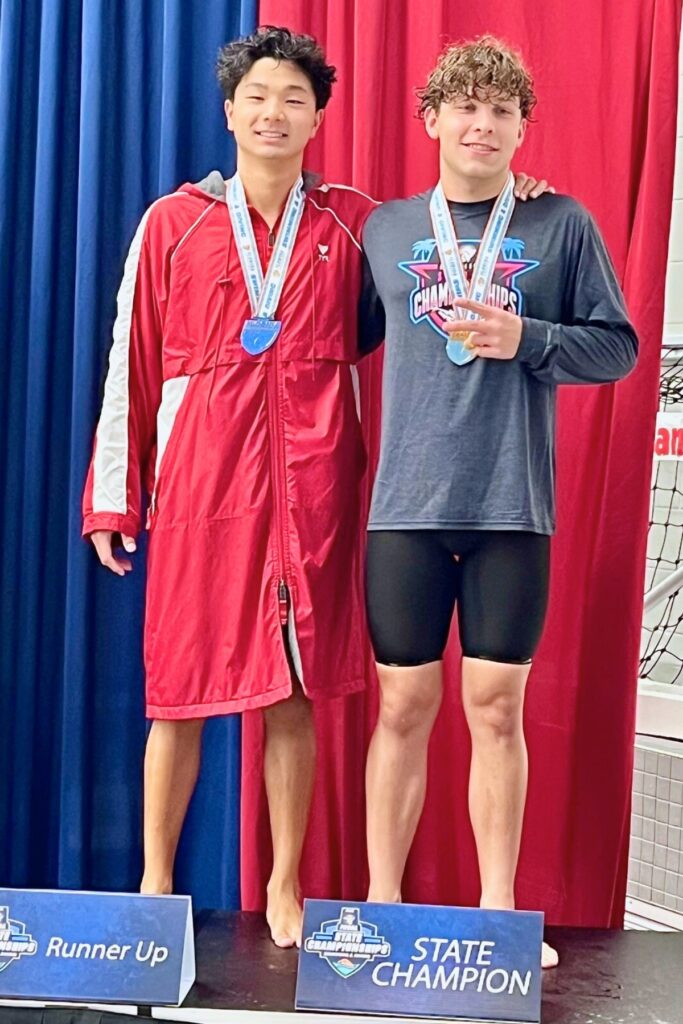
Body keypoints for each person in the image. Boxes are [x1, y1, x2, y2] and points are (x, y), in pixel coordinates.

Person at [83, 25, 549, 949]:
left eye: (293, 98)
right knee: (177, 692)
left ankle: (285, 885)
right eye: (257, 96)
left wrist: (516, 196)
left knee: (293, 693)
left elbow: (433, 277)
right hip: (202, 488)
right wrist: (114, 494)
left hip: (319, 487)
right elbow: (130, 362)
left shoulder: (356, 222)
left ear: (317, 116)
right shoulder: (172, 222)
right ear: (229, 111)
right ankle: (154, 881)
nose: (273, 112)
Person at [361, 35, 638, 969]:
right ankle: (378, 907)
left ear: (522, 127)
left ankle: (494, 911)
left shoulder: (560, 223)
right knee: (401, 705)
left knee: (492, 708)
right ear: (431, 118)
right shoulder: (386, 230)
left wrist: (527, 337)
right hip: (401, 505)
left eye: (502, 110)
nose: (482, 124)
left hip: (510, 507)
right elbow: (332, 340)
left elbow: (618, 347)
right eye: (465, 106)